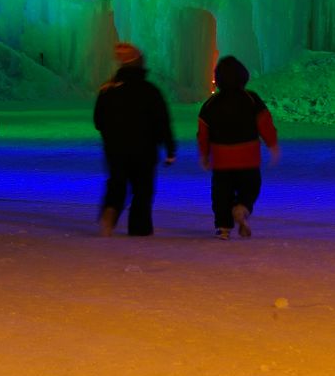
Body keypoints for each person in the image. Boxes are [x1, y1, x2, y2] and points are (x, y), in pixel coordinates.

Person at [93, 42, 176, 237]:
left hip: (115, 149)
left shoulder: (108, 90)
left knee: (117, 182)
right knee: (142, 189)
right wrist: (170, 148)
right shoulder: (150, 90)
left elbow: (98, 120)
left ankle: (111, 210)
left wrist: (112, 133)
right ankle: (139, 229)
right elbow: (162, 122)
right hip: (145, 149)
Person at [196, 55, 279, 239]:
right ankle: (242, 207)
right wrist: (272, 144)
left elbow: (203, 133)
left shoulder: (210, 104)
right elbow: (265, 123)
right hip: (248, 155)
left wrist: (204, 154)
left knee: (221, 194)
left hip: (221, 158)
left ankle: (223, 227)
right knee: (250, 186)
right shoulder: (251, 99)